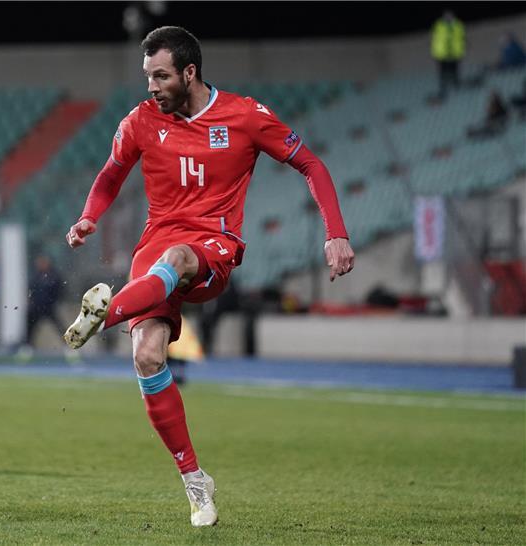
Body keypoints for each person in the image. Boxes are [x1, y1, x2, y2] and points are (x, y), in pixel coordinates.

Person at [62, 27, 354, 527]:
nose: (151, 86)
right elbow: (111, 174)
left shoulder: (244, 116)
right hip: (154, 248)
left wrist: (336, 233)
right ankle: (196, 483)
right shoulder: (139, 121)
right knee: (148, 356)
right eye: (147, 75)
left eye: (161, 76)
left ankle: (104, 316)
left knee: (178, 257)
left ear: (190, 72)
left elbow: (311, 165)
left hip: (213, 248)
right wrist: (90, 215)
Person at [26, 255, 64, 345]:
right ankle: (27, 345)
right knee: (31, 327)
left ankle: (68, 345)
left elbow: (59, 290)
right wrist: (32, 301)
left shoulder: (53, 276)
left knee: (59, 326)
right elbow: (32, 290)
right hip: (37, 307)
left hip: (49, 307)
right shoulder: (36, 277)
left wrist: (53, 301)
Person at [431, 10, 465, 99]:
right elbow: (436, 40)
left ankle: (456, 86)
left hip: (455, 53)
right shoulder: (439, 25)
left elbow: (461, 38)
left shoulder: (458, 25)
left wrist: (461, 51)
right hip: (442, 54)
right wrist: (435, 53)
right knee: (443, 73)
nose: (448, 17)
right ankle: (443, 90)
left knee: (455, 71)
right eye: (446, 16)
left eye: (449, 16)